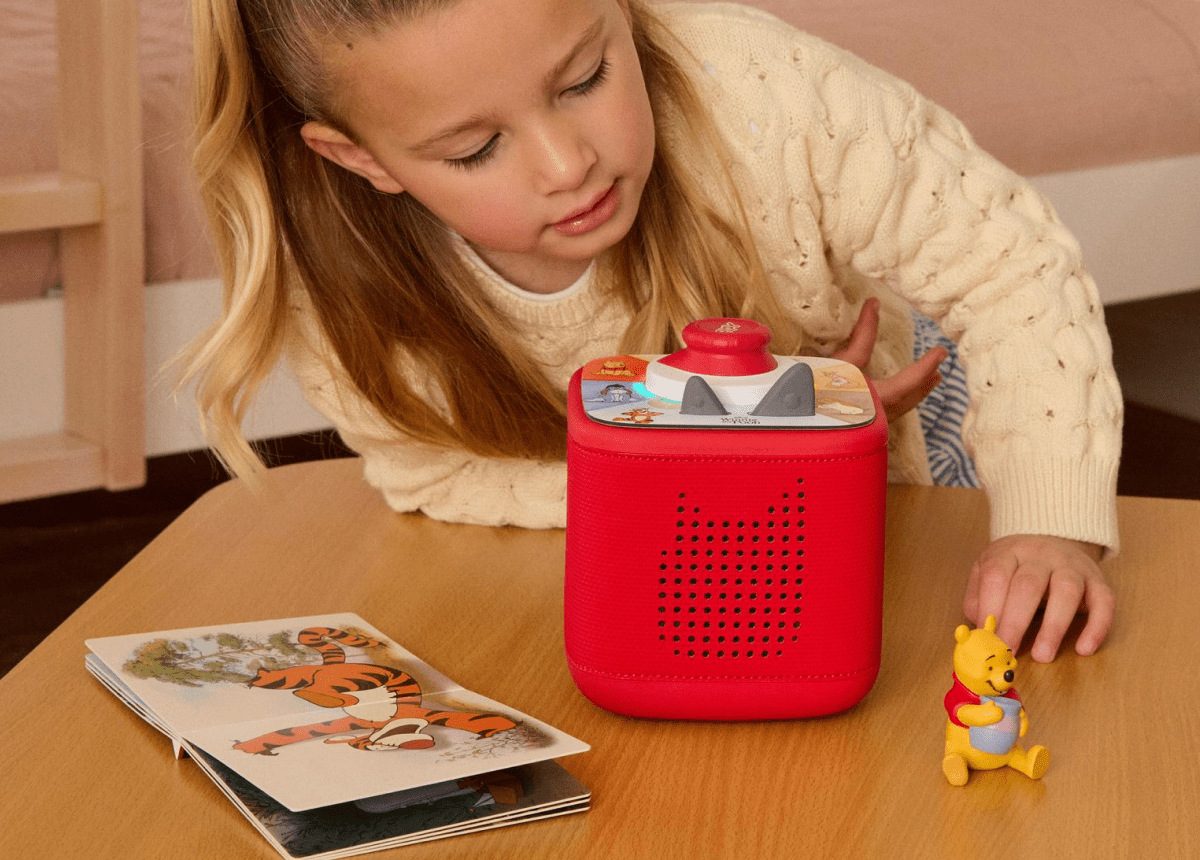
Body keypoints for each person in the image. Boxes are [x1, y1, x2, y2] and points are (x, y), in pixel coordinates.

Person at [181, 0, 1121, 662]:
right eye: (476, 149)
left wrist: (1049, 525)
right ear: (360, 159)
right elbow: (436, 473)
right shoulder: (338, 278)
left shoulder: (766, 95)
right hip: (667, 540)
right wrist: (746, 462)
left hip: (909, 423)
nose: (569, 163)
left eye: (586, 77)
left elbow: (1012, 266)